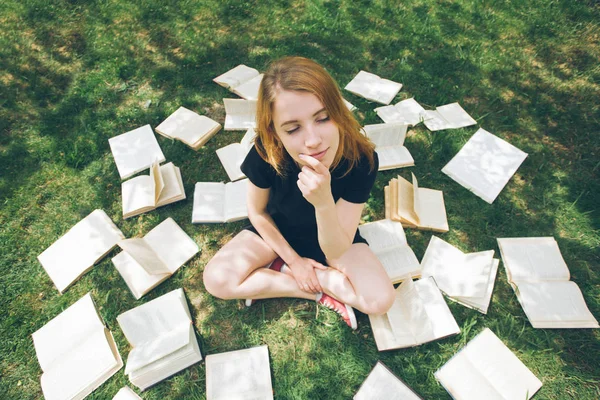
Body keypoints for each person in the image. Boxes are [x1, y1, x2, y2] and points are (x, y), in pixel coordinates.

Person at [203, 57, 395, 329]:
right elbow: (257, 212)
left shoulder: (361, 159)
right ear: (275, 132)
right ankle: (317, 288)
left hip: (335, 236)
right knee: (217, 279)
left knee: (379, 301)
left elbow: (337, 246)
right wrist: (296, 263)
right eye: (293, 129)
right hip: (277, 232)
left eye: (323, 118)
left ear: (338, 111)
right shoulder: (266, 152)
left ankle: (275, 275)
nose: (313, 140)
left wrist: (324, 203)